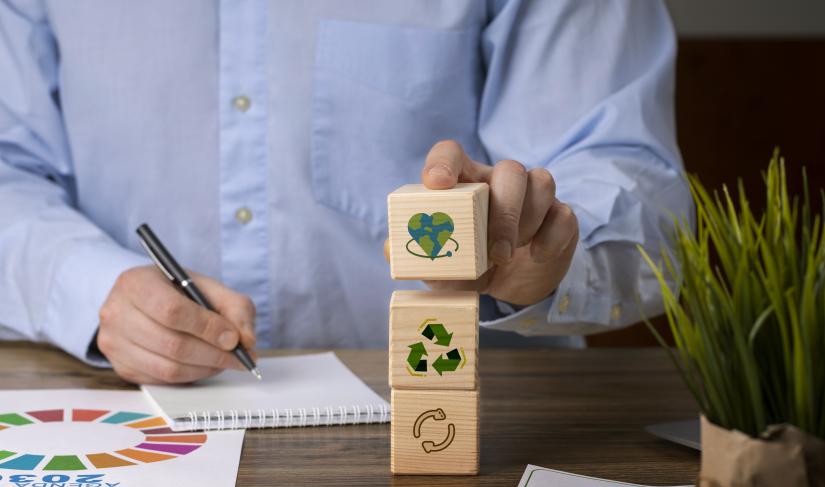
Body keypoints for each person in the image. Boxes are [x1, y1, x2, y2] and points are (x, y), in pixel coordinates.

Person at [0, 0, 692, 384]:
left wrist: (550, 253)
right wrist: (95, 288)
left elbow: (636, 188)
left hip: (487, 421)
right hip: (124, 412)